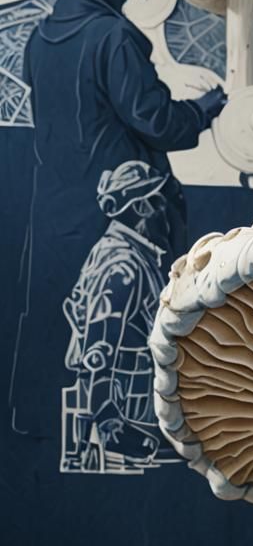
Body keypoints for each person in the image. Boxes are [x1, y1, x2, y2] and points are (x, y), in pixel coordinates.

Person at [9, 0, 226, 439]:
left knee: (74, 308)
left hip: (58, 203)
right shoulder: (113, 35)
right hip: (124, 204)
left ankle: (43, 425)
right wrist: (203, 110)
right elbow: (155, 121)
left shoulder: (40, 38)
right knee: (141, 313)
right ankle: (127, 423)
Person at [61, 161, 176, 472]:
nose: (164, 207)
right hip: (134, 414)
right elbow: (98, 351)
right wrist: (109, 420)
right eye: (158, 199)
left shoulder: (124, 252)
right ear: (140, 207)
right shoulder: (122, 265)